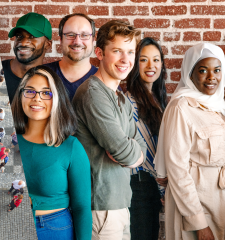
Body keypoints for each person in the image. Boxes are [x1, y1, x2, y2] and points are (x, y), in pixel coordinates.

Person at [154, 43, 225, 240]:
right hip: (194, 200)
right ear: (189, 73)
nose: (211, 77)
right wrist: (199, 222)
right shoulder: (181, 106)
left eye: (217, 70)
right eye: (202, 70)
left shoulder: (219, 107)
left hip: (222, 198)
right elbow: (177, 169)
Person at [71, 20, 144, 239]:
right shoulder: (93, 93)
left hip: (120, 203)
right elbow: (123, 150)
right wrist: (129, 152)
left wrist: (133, 154)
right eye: (117, 51)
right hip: (101, 207)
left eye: (130, 52)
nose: (126, 60)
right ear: (100, 53)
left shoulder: (120, 96)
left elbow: (136, 147)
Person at [11, 65, 92, 239]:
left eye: (46, 93)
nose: (37, 99)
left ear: (56, 99)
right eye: (30, 91)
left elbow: (82, 208)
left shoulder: (71, 147)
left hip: (53, 229)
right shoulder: (5, 141)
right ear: (21, 96)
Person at [122, 37, 167, 240]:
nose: (151, 66)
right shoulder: (129, 101)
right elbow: (147, 154)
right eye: (144, 60)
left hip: (149, 187)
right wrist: (163, 187)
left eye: (156, 60)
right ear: (134, 64)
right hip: (139, 187)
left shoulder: (157, 100)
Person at [44, 13, 97, 101]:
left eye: (84, 35)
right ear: (60, 40)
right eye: (70, 35)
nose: (77, 42)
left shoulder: (104, 82)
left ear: (93, 41)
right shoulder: (42, 75)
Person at [3, 12, 52, 102]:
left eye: (32, 36)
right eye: (19, 36)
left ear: (47, 45)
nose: (23, 43)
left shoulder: (51, 82)